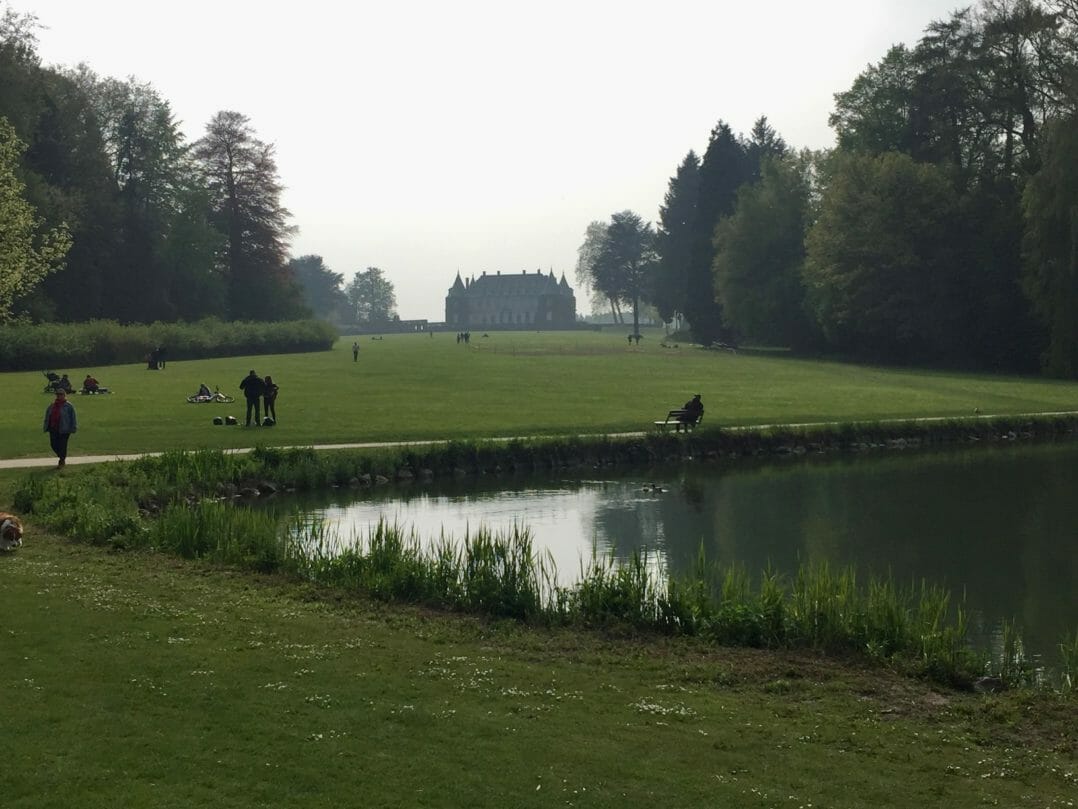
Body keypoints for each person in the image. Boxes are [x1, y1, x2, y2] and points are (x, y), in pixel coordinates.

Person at [43, 388, 77, 468]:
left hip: (65, 429)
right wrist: (46, 426)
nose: (59, 396)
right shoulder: (52, 405)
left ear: (64, 395)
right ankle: (61, 455)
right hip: (54, 428)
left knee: (63, 445)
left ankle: (62, 460)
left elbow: (73, 417)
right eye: (58, 394)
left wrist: (73, 427)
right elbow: (48, 416)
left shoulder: (69, 406)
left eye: (61, 394)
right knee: (53, 444)